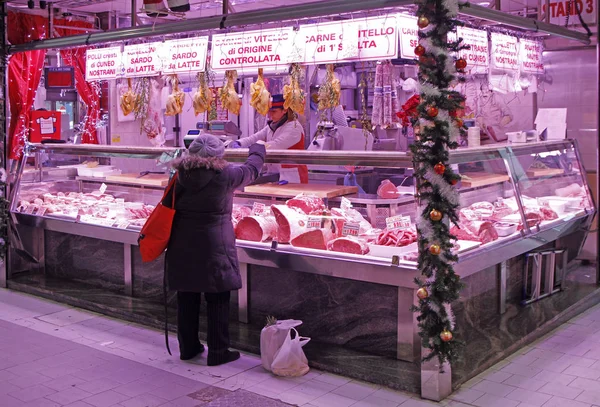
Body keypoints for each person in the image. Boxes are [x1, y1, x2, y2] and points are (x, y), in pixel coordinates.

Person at [164, 134, 266, 365]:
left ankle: (188, 348)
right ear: (219, 155)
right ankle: (218, 351)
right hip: (214, 242)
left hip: (182, 240)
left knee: (187, 294)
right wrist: (258, 148)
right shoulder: (225, 175)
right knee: (218, 295)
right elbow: (251, 170)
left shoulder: (179, 173)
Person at [231, 94, 308, 183]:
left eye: (274, 111)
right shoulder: (272, 125)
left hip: (292, 176)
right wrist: (239, 143)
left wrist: (251, 149)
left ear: (285, 110)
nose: (269, 114)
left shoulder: (294, 127)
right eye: (269, 111)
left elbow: (274, 145)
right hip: (275, 175)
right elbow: (254, 137)